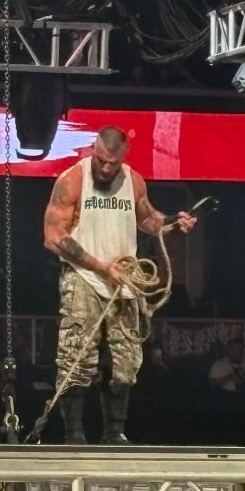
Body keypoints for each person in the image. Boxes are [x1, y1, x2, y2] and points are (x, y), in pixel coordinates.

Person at [42, 126, 197, 444]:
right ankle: (74, 433)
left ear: (124, 155)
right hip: (85, 277)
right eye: (100, 160)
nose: (106, 168)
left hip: (123, 281)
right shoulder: (73, 180)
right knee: (76, 357)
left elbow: (148, 219)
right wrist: (101, 267)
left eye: (112, 162)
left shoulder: (133, 180)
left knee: (126, 361)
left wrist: (173, 222)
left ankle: (114, 432)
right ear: (93, 152)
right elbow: (54, 237)